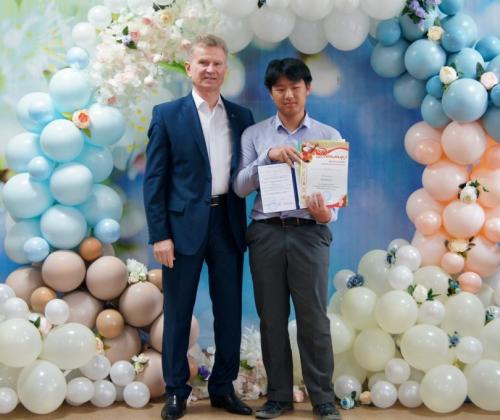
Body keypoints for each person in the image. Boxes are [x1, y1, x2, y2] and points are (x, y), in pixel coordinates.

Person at [143, 34, 255, 420]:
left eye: (217, 63)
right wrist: (160, 234)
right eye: (203, 62)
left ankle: (223, 388)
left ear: (226, 69)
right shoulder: (167, 115)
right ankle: (177, 391)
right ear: (189, 68)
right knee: (177, 312)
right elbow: (154, 181)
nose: (210, 69)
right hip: (180, 229)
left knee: (229, 312)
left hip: (227, 222)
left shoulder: (241, 117)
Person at [233, 58, 342, 420]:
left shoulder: (328, 136)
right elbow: (239, 186)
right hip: (266, 232)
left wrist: (325, 214)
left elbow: (335, 200)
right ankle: (278, 397)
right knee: (272, 318)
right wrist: (268, 157)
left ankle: (322, 399)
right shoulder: (255, 136)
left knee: (314, 319)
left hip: (310, 232)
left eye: (295, 87)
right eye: (280, 89)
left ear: (307, 88)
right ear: (270, 93)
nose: (288, 95)